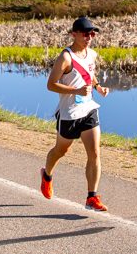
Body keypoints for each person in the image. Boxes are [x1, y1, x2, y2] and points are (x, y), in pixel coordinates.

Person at [40, 16, 111, 212]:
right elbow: (50, 85)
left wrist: (98, 87)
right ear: (74, 34)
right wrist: (76, 91)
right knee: (61, 151)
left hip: (88, 109)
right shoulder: (65, 57)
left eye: (92, 33)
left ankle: (92, 197)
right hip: (69, 113)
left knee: (95, 153)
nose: (90, 36)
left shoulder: (92, 54)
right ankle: (46, 175)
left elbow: (89, 72)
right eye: (86, 33)